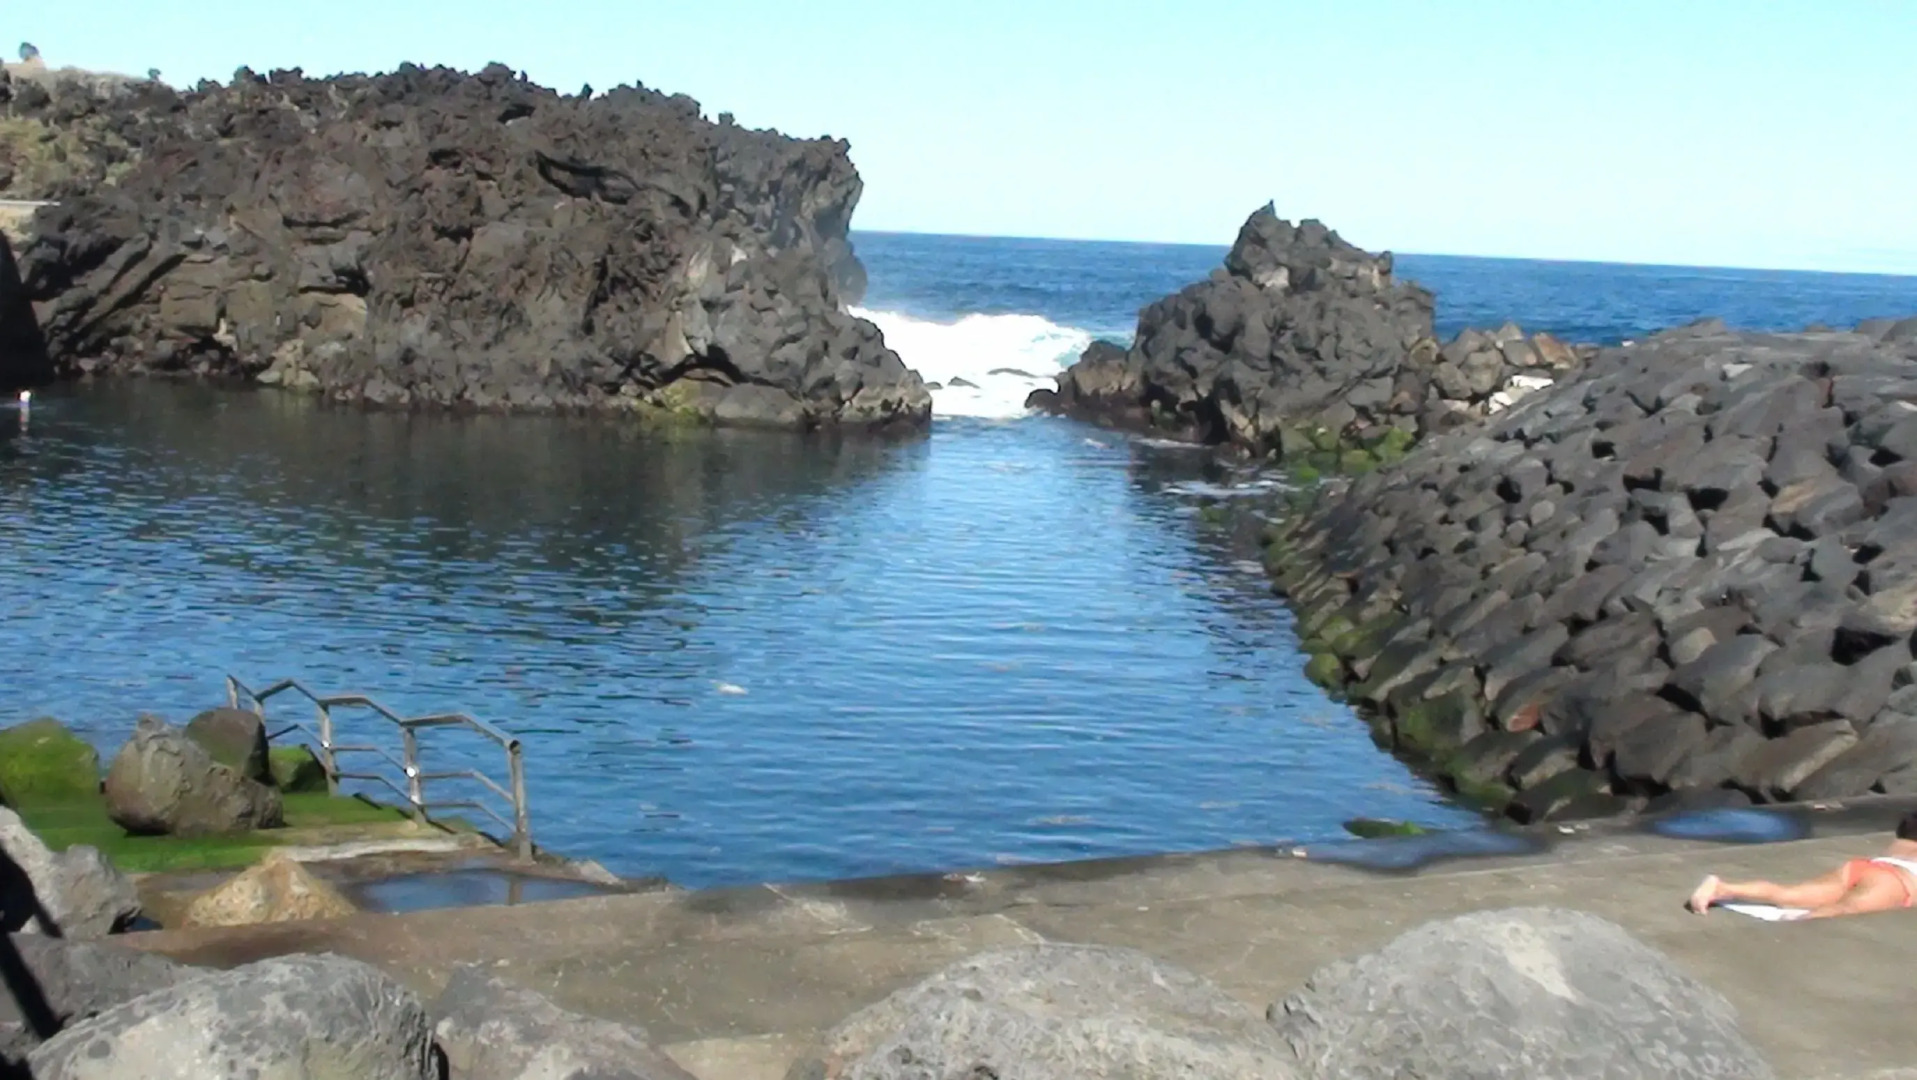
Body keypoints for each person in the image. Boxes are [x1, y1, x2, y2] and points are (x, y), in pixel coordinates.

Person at [1688, 812, 1917, 919]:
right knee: (1843, 911)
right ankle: (1797, 926)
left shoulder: (1904, 837)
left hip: (1868, 867)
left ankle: (1723, 888)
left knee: (1788, 894)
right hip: (1897, 881)